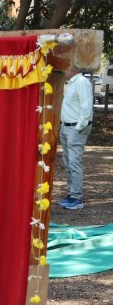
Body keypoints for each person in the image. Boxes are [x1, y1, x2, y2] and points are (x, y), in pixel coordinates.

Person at [57, 66, 94, 211]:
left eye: (65, 67)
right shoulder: (71, 83)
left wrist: (79, 128)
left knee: (74, 162)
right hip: (67, 127)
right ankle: (71, 194)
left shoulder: (81, 81)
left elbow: (86, 107)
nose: (63, 70)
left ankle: (77, 197)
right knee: (68, 162)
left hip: (75, 128)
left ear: (72, 68)